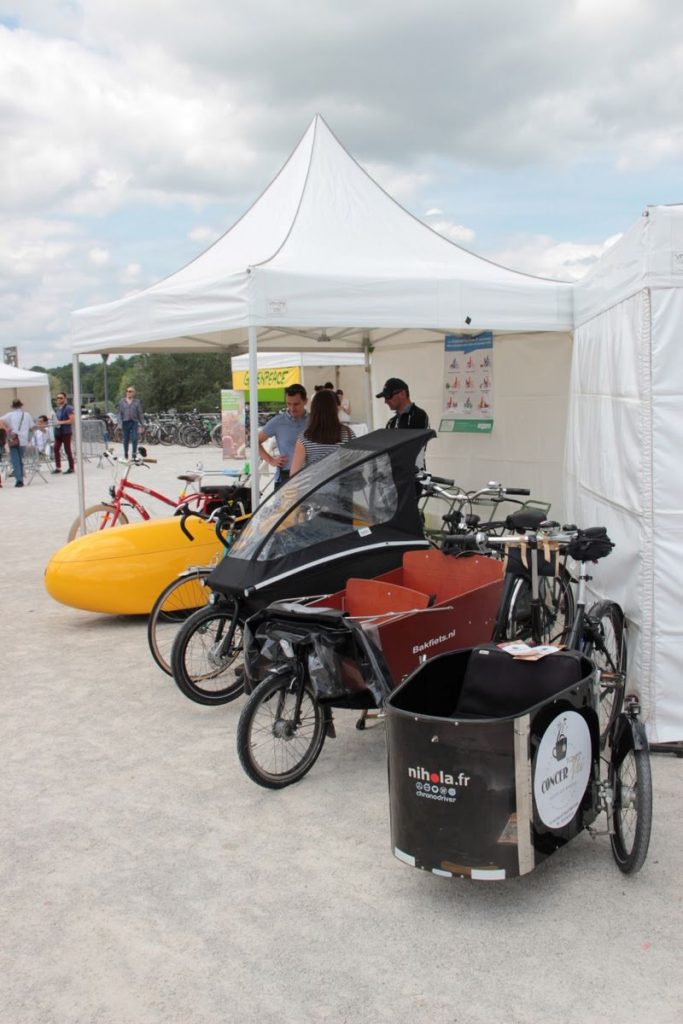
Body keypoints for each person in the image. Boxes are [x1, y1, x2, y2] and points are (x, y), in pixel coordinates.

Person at [290, 388, 355, 474]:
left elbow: (294, 475)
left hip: (314, 487)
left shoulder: (304, 438)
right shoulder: (348, 434)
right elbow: (355, 466)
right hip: (342, 486)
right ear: (336, 408)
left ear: (313, 410)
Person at [258, 384, 309, 490]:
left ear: (305, 401)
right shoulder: (278, 421)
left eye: (296, 404)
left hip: (309, 477)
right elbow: (255, 442)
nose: (292, 408)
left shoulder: (314, 421)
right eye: (288, 404)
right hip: (285, 477)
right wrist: (271, 460)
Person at [0, 399, 35, 487]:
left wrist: (6, 428)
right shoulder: (27, 414)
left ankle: (19, 480)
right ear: (21, 405)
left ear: (13, 406)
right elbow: (32, 427)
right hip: (23, 440)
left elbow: (0, 420)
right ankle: (21, 477)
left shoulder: (10, 415)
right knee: (20, 459)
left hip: (13, 439)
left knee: (15, 460)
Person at [116, 386, 145, 459]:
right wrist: (119, 423)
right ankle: (126, 453)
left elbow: (140, 413)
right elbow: (119, 413)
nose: (128, 392)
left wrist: (142, 425)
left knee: (134, 438)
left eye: (130, 391)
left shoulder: (137, 402)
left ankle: (134, 455)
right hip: (125, 423)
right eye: (127, 391)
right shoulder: (122, 402)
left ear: (133, 393)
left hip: (134, 422)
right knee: (126, 439)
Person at [52, 391, 76, 473]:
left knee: (67, 450)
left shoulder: (68, 408)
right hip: (58, 432)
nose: (59, 399)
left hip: (66, 432)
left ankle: (71, 467)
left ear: (65, 399)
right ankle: (58, 467)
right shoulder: (58, 409)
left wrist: (61, 422)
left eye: (61, 398)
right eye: (57, 398)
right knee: (55, 448)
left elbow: (72, 420)